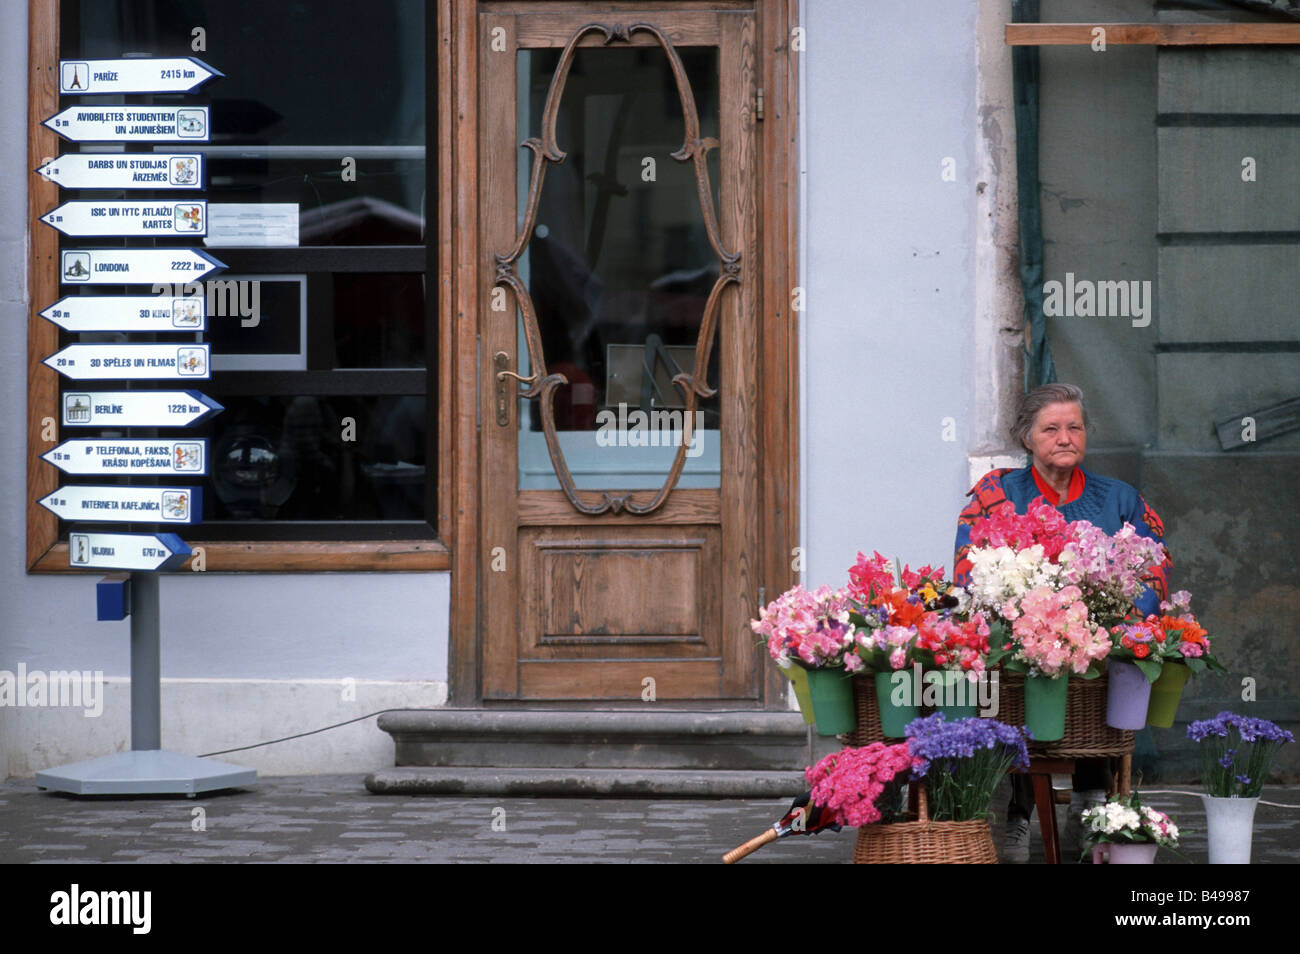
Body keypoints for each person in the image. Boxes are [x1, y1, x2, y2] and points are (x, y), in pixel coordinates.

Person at [953, 383, 1171, 863]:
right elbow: (967, 567)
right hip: (1021, 641)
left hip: (1101, 642)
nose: (1065, 437)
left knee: (1121, 653)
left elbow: (1154, 568)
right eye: (1051, 428)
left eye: (1075, 427)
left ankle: (1092, 803)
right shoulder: (996, 492)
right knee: (1023, 662)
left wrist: (1113, 618)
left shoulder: (1120, 499)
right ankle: (1018, 811)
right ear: (1027, 438)